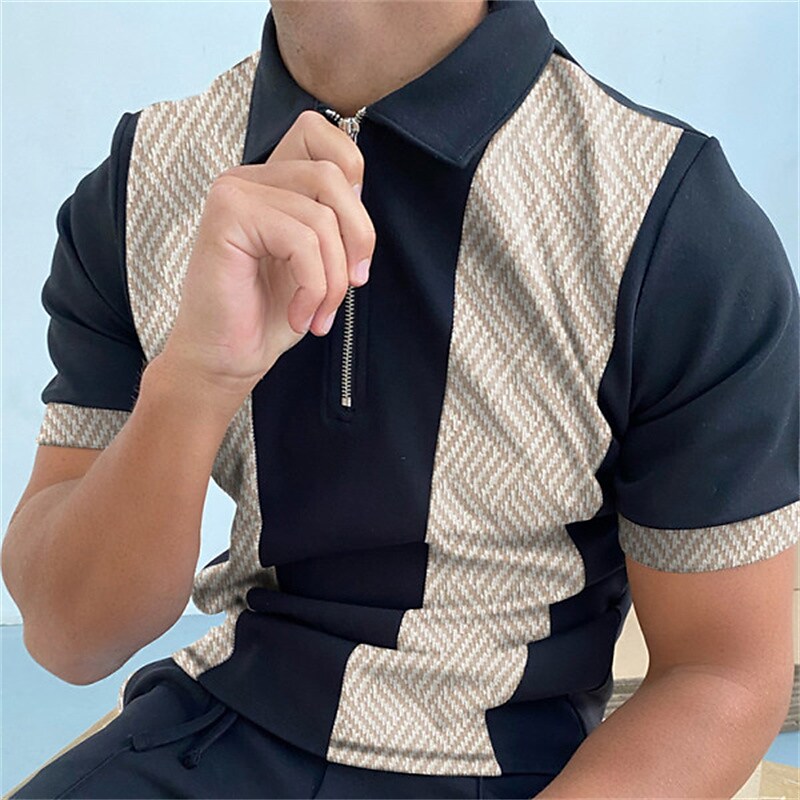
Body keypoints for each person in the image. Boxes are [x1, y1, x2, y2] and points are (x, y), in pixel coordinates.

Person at [3, 1, 798, 798]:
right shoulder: (142, 182)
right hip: (214, 729)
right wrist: (193, 379)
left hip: (513, 770)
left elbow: (720, 670)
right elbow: (72, 635)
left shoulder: (668, 217)